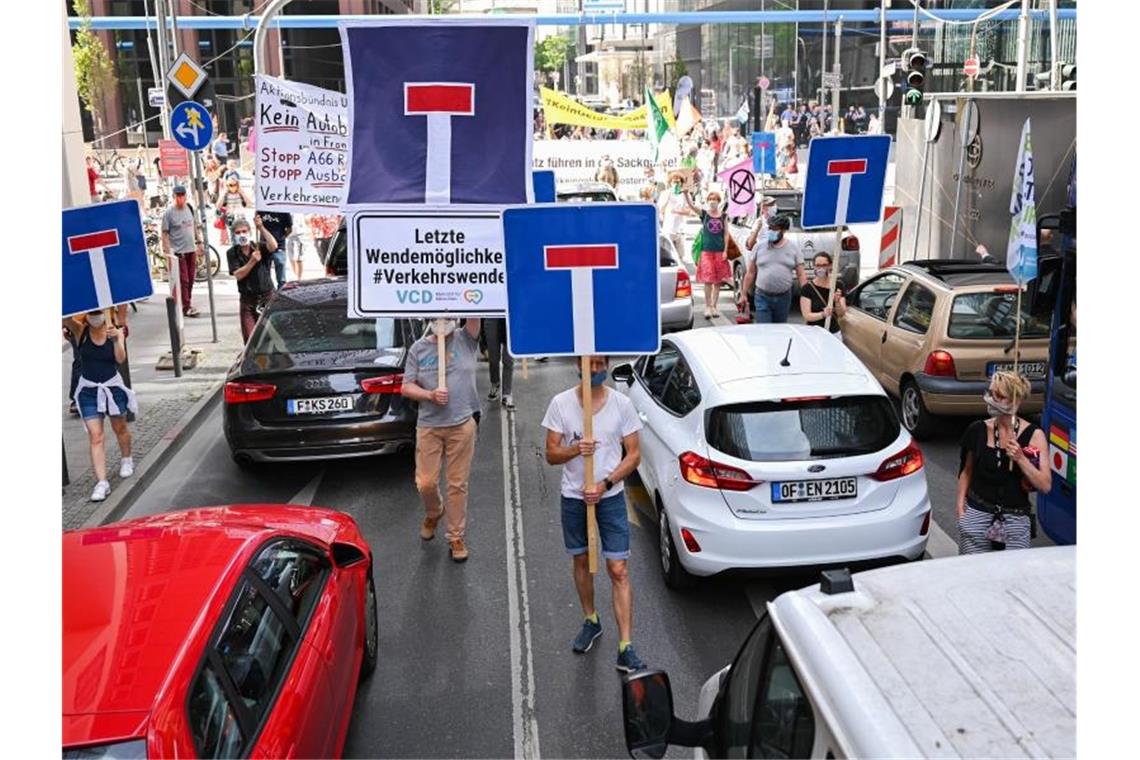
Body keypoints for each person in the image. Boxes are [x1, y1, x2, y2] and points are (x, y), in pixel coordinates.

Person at [543, 355, 645, 673]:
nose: (597, 370)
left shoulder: (621, 405)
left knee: (618, 569)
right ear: (579, 366)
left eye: (602, 365)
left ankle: (626, 646)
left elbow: (635, 455)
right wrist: (576, 449)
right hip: (574, 498)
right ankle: (591, 620)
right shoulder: (560, 404)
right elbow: (550, 453)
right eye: (591, 365)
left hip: (610, 498)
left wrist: (605, 483)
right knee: (582, 562)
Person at [401, 317, 483, 563]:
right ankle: (435, 511)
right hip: (429, 426)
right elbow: (406, 386)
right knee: (425, 483)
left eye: (448, 316)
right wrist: (429, 394)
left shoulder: (466, 339)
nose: (443, 321)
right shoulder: (418, 348)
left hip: (461, 424)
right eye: (438, 316)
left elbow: (476, 307)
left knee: (457, 484)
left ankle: (455, 535)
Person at [956, 371, 1052, 554]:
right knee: (973, 574)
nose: (991, 399)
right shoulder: (977, 430)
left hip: (1015, 519)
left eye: (999, 396)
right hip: (977, 513)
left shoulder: (1034, 436)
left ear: (1015, 400)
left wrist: (1021, 459)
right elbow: (966, 471)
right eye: (990, 393)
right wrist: (961, 508)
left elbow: (1045, 485)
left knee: (1011, 577)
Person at [65, 309, 137, 502]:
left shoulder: (116, 332)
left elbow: (120, 359)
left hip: (112, 388)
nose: (95, 316)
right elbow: (65, 318)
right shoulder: (81, 332)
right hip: (88, 391)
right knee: (96, 436)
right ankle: (102, 482)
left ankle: (126, 458)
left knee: (119, 427)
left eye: (98, 312)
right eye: (91, 312)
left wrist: (116, 340)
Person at [739, 214, 806, 323]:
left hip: (784, 297)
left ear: (783, 231)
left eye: (775, 229)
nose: (771, 231)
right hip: (762, 296)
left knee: (779, 329)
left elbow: (801, 274)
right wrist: (743, 294)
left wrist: (806, 295)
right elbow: (750, 273)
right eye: (770, 228)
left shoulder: (793, 248)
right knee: (764, 329)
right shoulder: (759, 247)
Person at [227, 215, 278, 342]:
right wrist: (252, 261)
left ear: (249, 232)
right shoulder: (232, 253)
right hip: (248, 301)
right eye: (238, 232)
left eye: (244, 231)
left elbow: (273, 245)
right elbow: (238, 274)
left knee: (271, 337)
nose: (241, 234)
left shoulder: (258, 247)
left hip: (266, 298)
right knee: (250, 339)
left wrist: (261, 227)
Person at [685, 187, 732, 319]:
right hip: (706, 251)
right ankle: (707, 306)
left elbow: (726, 234)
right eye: (710, 199)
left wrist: (725, 251)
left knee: (717, 281)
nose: (712, 202)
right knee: (708, 280)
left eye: (715, 199)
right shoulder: (704, 214)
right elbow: (691, 205)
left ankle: (714, 306)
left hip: (719, 252)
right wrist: (686, 193)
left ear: (719, 201)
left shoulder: (723, 216)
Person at [161, 184, 205, 318]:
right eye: (178, 196)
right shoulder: (169, 213)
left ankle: (186, 302)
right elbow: (164, 233)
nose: (180, 198)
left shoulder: (189, 208)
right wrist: (168, 252)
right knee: (184, 280)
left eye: (182, 195)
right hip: (178, 252)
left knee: (191, 279)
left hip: (191, 250)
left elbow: (194, 227)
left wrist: (199, 242)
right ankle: (186, 307)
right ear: (174, 197)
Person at [799, 252, 847, 337]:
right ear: (813, 266)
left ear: (830, 266)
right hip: (814, 333)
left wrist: (837, 302)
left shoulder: (838, 285)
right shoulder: (807, 288)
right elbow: (807, 316)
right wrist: (823, 314)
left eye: (824, 265)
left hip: (833, 332)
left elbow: (841, 313)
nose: (821, 268)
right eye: (818, 265)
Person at [256, 209, 293, 289]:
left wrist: (281, 238)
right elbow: (257, 225)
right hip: (264, 246)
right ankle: (268, 294)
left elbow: (289, 229)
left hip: (279, 246)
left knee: (281, 278)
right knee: (265, 275)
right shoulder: (261, 210)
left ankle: (281, 295)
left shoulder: (284, 212)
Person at [484, 318, 514, 410]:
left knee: (508, 359)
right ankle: (495, 383)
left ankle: (507, 394)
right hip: (492, 315)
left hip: (510, 317)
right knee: (493, 358)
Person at [217, 172, 252, 245]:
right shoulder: (225, 194)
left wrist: (242, 192)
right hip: (230, 217)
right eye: (230, 185)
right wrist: (224, 193)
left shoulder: (240, 193)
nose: (233, 186)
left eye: (234, 184)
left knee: (244, 237)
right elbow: (218, 205)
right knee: (233, 237)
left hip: (241, 216)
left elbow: (249, 203)